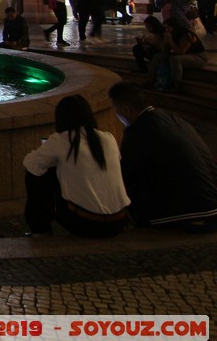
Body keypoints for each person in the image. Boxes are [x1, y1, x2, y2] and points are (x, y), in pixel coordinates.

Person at [107, 83, 217, 231]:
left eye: (115, 109)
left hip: (193, 212)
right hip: (212, 202)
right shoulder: (171, 117)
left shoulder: (138, 130)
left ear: (125, 109)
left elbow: (126, 174)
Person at [22, 95, 129, 237]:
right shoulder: (108, 138)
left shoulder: (62, 139)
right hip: (119, 221)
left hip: (85, 223)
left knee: (37, 175)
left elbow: (30, 163)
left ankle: (40, 228)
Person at [148, 20, 205, 92]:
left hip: (198, 57)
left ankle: (176, 84)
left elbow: (180, 52)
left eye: (168, 27)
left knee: (175, 59)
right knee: (157, 57)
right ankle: (151, 80)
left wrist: (170, 40)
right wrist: (166, 42)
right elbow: (165, 52)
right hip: (185, 55)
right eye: (165, 27)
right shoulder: (170, 34)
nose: (166, 29)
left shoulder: (186, 34)